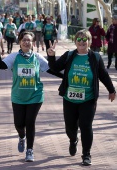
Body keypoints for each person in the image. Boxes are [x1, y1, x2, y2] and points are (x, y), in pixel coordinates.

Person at [47, 29, 116, 166]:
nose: (82, 42)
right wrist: (51, 56)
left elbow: (103, 75)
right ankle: (73, 140)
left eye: (85, 39)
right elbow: (54, 68)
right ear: (75, 42)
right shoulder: (69, 55)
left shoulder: (95, 57)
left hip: (88, 99)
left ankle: (86, 154)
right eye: (79, 39)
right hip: (69, 99)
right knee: (70, 127)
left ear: (89, 42)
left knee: (86, 126)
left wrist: (111, 90)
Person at [0, 31, 63, 162]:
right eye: (24, 40)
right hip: (18, 96)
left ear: (33, 43)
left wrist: (66, 77)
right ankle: (22, 136)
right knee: (19, 124)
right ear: (20, 42)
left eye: (29, 40)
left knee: (30, 122)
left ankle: (30, 150)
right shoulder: (14, 57)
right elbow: (0, 65)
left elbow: (51, 69)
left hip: (35, 96)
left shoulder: (37, 57)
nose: (26, 42)